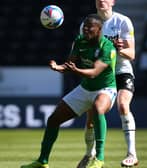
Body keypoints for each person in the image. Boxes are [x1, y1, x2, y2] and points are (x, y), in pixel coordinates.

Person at [20, 14, 117, 168]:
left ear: (99, 30)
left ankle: (99, 158)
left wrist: (75, 69)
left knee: (98, 107)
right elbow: (69, 64)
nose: (85, 29)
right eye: (84, 26)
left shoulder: (107, 48)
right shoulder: (80, 41)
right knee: (53, 120)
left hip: (105, 89)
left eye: (89, 27)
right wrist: (58, 67)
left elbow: (94, 73)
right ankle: (42, 161)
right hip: (85, 89)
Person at [76, 0, 138, 167]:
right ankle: (89, 154)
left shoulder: (123, 21)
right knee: (91, 117)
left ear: (113, 2)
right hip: (101, 74)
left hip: (121, 71)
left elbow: (131, 54)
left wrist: (119, 50)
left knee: (123, 105)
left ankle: (132, 154)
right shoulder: (88, 24)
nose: (102, 0)